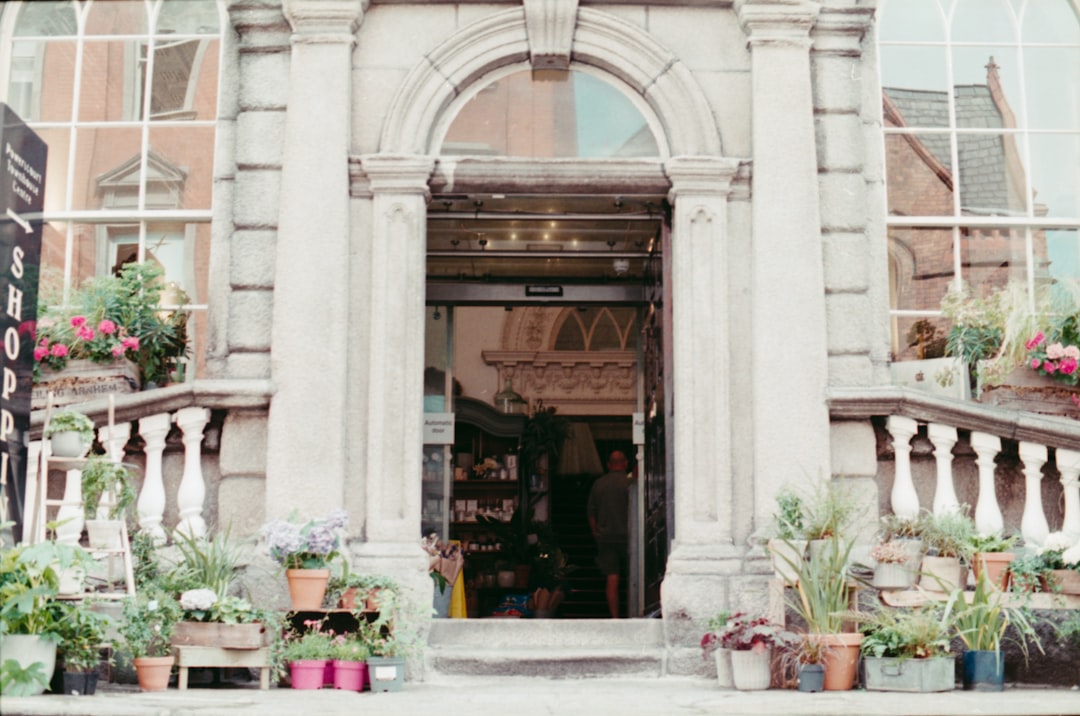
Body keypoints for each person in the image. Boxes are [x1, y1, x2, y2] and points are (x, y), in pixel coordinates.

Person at [587, 450, 630, 618]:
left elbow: (591, 513)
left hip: (606, 538)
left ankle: (615, 617)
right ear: (625, 463)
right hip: (629, 538)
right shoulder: (631, 483)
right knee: (634, 576)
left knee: (612, 578)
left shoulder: (599, 484)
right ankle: (635, 611)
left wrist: (595, 531)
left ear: (609, 465)